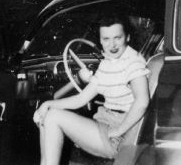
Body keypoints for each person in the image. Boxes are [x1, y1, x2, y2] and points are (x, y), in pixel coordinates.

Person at [33, 14, 150, 165]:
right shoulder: (109, 62)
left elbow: (142, 102)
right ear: (100, 41)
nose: (112, 45)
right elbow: (81, 99)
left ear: (127, 37)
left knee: (53, 117)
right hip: (106, 123)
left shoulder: (133, 63)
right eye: (106, 39)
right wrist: (47, 104)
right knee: (47, 114)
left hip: (119, 135)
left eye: (117, 38)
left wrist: (119, 130)